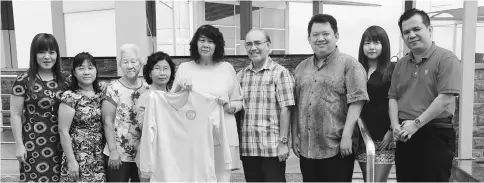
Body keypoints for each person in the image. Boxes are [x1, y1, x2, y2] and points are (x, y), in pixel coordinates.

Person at [292, 14, 369, 182]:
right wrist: (294, 135)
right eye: (315, 35)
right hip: (308, 147)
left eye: (326, 34)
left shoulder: (350, 65)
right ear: (309, 38)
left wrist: (347, 136)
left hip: (337, 147)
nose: (320, 38)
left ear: (336, 36)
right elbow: (296, 105)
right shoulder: (301, 68)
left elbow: (357, 102)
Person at [390, 8, 462, 182]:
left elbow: (445, 98)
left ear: (429, 30)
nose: (411, 35)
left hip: (435, 134)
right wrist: (395, 126)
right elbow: (393, 97)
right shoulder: (401, 63)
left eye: (416, 29)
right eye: (406, 32)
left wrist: (416, 124)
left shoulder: (446, 59)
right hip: (405, 135)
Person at [171, 24, 243, 182]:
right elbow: (173, 103)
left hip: (223, 134)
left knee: (221, 177)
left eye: (210, 41)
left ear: (217, 45)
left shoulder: (227, 68)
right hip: (193, 135)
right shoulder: (184, 68)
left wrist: (229, 106)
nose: (205, 45)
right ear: (195, 43)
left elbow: (238, 102)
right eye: (202, 40)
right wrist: (181, 90)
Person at [10, 33, 70, 182]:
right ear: (34, 55)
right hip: (33, 143)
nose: (47, 57)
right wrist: (19, 145)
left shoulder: (66, 80)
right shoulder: (24, 81)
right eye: (42, 52)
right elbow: (15, 115)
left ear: (57, 54)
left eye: (51, 52)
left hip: (63, 142)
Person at [237, 28, 295, 182]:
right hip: (248, 147)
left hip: (272, 149)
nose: (253, 48)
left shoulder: (280, 73)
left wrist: (283, 143)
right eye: (248, 44)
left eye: (258, 43)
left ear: (268, 46)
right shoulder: (240, 75)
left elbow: (286, 110)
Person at [102, 44, 150, 182]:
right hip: (118, 154)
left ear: (140, 63)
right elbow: (107, 121)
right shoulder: (113, 87)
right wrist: (113, 151)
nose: (130, 66)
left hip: (142, 154)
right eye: (125, 62)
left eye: (134, 61)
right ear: (120, 65)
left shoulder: (147, 87)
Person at [356, 25, 396, 182]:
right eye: (367, 43)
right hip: (361, 136)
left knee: (378, 181)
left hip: (384, 136)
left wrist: (392, 130)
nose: (371, 47)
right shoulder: (356, 69)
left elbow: (398, 101)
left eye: (376, 42)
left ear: (384, 45)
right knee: (368, 179)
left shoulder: (392, 70)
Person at [58, 52, 106, 182]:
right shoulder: (70, 97)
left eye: (90, 68)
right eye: (81, 68)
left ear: (96, 70)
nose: (86, 72)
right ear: (74, 72)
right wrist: (71, 161)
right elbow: (63, 131)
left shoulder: (102, 93)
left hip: (99, 154)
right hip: (79, 155)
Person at [135, 51, 176, 182]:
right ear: (150, 73)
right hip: (150, 153)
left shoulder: (175, 97)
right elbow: (142, 126)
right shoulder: (145, 97)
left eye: (166, 69)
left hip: (171, 154)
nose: (162, 73)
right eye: (157, 68)